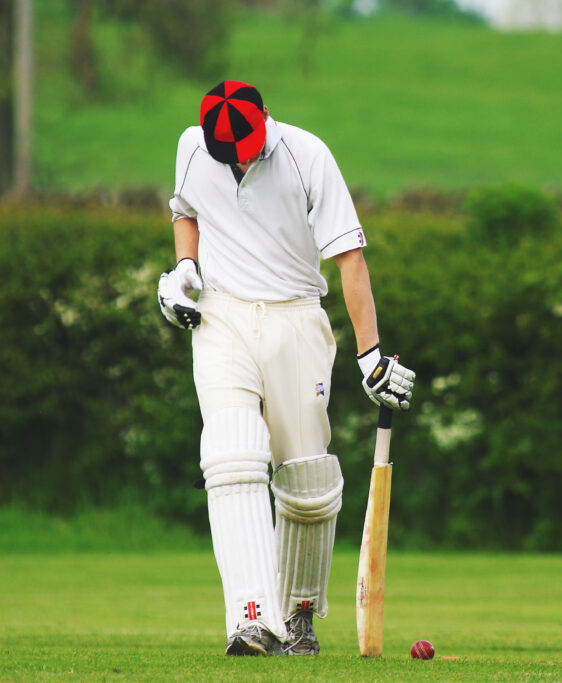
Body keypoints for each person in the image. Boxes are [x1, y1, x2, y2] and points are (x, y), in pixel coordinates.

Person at [158, 80, 415, 656]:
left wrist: (369, 355)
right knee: (232, 454)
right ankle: (252, 619)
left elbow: (349, 258)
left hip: (296, 317)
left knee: (307, 483)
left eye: (249, 144)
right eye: (231, 151)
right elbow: (185, 213)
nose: (242, 158)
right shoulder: (194, 148)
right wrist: (183, 270)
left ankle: (297, 613)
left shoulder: (307, 155)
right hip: (221, 317)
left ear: (266, 118)